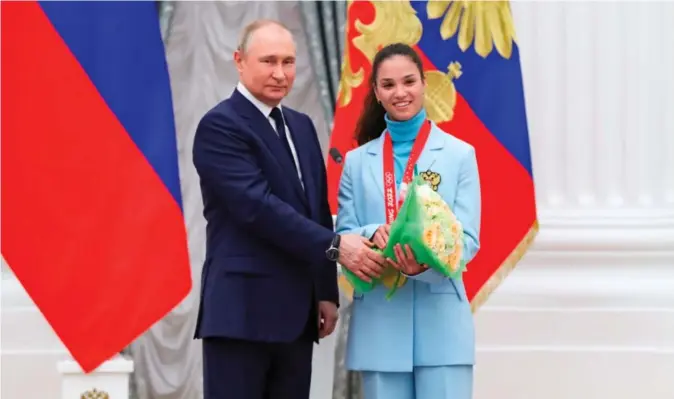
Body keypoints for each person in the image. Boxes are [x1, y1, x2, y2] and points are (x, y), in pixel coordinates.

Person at [192, 19, 386, 399]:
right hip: (241, 315)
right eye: (268, 61)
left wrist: (325, 290)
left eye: (289, 62)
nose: (280, 74)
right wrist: (337, 247)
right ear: (239, 61)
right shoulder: (219, 126)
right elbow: (257, 208)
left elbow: (315, 207)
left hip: (297, 317)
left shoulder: (301, 126)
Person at [335, 43, 482, 399]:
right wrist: (374, 233)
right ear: (376, 92)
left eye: (408, 81)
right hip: (380, 324)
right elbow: (344, 235)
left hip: (442, 322)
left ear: (423, 84)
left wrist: (424, 257)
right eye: (388, 85)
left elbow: (469, 240)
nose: (400, 93)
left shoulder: (460, 155)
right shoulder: (355, 162)